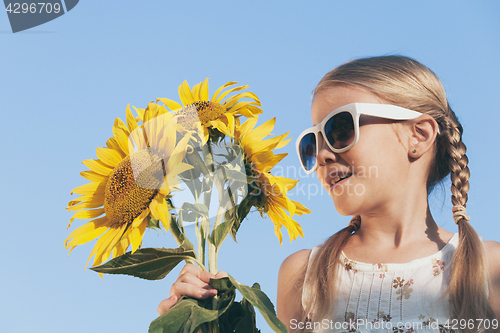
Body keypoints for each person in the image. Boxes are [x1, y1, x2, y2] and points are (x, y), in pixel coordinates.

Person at [157, 56, 500, 332]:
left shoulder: (486, 268)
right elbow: (152, 145)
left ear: (419, 135)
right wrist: (207, 323)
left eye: (340, 129)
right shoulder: (303, 274)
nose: (322, 154)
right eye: (312, 143)